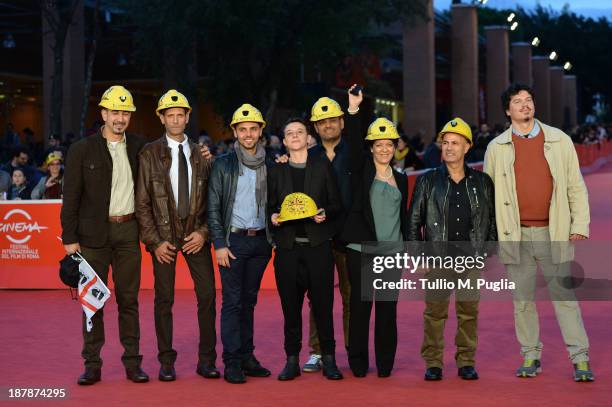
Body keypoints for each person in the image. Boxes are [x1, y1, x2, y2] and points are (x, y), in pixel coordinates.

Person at [484, 83, 594, 382]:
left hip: (553, 231)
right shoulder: (496, 147)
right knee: (522, 302)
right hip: (515, 234)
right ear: (508, 110)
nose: (525, 105)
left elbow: (575, 185)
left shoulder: (559, 140)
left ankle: (580, 357)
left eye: (528, 100)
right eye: (517, 102)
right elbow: (488, 196)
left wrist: (579, 224)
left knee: (565, 297)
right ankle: (530, 355)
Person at [60, 85, 149, 385]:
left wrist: (200, 152)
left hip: (128, 231)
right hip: (91, 237)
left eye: (125, 112)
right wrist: (69, 238)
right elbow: (70, 197)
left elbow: (167, 162)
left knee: (129, 300)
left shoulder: (140, 147)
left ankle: (133, 363)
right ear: (103, 114)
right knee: (92, 303)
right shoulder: (81, 150)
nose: (120, 118)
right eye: (114, 112)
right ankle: (92, 364)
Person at [135, 89, 218, 382]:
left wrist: (203, 233)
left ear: (187, 116)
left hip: (195, 235)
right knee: (164, 300)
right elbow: (142, 202)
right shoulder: (149, 153)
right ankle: (166, 362)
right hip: (165, 240)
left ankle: (207, 361)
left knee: (207, 295)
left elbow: (213, 201)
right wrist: (155, 242)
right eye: (169, 115)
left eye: (180, 114)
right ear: (161, 118)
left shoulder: (202, 154)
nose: (175, 119)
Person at [407, 117, 496, 381]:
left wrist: (487, 252)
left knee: (468, 313)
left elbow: (492, 220)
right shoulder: (428, 180)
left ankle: (466, 361)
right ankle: (433, 362)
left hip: (470, 260)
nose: (449, 148)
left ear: (467, 147)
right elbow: (414, 221)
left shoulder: (482, 181)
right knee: (434, 313)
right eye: (445, 143)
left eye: (455, 143)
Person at [267, 118, 343, 381]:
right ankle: (291, 361)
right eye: (290, 133)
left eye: (300, 131)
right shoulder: (276, 171)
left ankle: (329, 359)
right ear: (285, 142)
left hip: (318, 248)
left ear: (309, 138)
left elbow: (336, 204)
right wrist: (273, 217)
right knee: (290, 308)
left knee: (323, 306)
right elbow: (268, 206)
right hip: (287, 249)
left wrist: (324, 212)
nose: (296, 136)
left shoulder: (322, 167)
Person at [341, 86, 409, 378]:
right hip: (363, 251)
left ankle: (384, 365)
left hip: (392, 254)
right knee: (360, 308)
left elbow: (402, 218)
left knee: (387, 313)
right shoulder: (361, 171)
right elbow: (353, 145)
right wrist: (354, 109)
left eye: (389, 145)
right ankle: (357, 363)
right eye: (378, 145)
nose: (384, 149)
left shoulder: (403, 179)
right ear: (371, 148)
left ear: (395, 148)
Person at [207, 103, 273, 384]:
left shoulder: (272, 163)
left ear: (260, 132)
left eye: (253, 129)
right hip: (232, 241)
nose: (248, 134)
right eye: (242, 129)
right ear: (235, 132)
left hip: (261, 242)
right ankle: (232, 361)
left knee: (249, 302)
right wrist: (219, 243)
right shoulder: (222, 164)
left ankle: (247, 356)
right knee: (232, 303)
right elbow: (212, 207)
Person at [300, 95, 353, 373]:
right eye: (322, 122)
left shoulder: (355, 153)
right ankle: (318, 351)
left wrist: (355, 106)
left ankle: (352, 349)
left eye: (333, 120)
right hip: (317, 236)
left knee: (350, 295)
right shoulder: (308, 157)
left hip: (349, 236)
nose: (328, 125)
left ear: (342, 122)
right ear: (315, 128)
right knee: (318, 296)